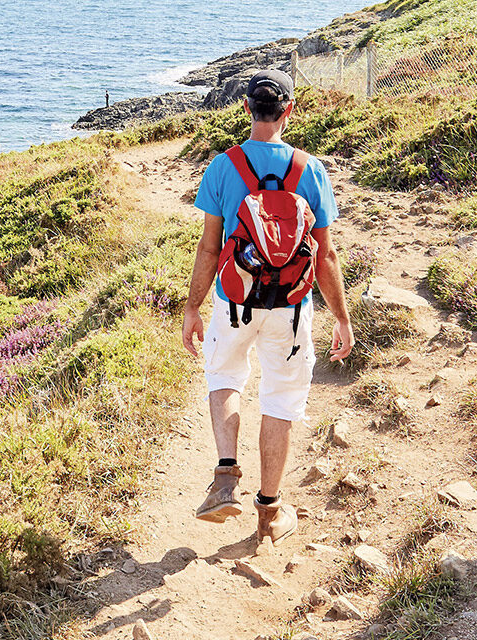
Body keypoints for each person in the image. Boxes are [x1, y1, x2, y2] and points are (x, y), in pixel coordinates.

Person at [180, 70, 354, 546]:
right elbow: (326, 255)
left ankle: (224, 479)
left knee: (225, 377)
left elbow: (209, 249)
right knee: (280, 399)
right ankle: (270, 514)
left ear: (246, 110)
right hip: (292, 307)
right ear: (288, 111)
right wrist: (341, 317)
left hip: (234, 301)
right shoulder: (311, 170)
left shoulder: (222, 166)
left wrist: (193, 308)